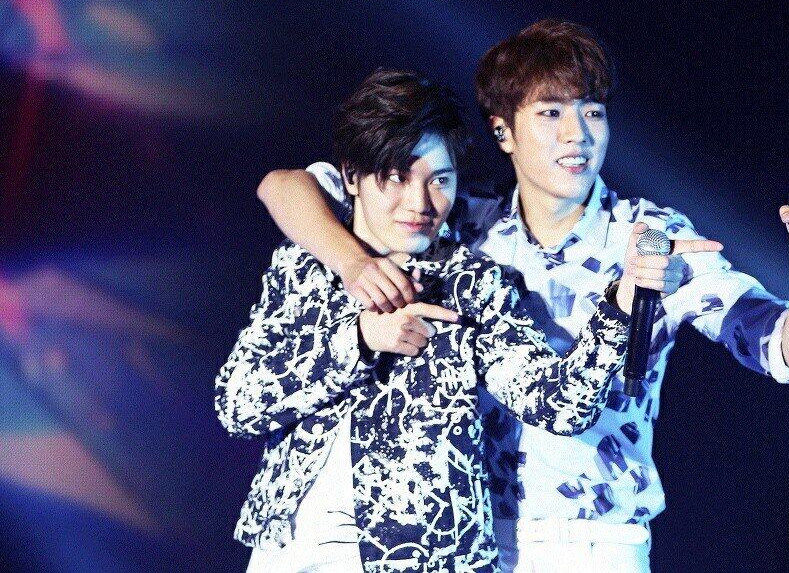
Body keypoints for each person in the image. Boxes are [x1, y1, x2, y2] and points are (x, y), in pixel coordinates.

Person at [256, 20, 789, 572]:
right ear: (503, 131)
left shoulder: (651, 237)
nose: (577, 134)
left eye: (593, 112)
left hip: (592, 542)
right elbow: (285, 187)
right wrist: (354, 264)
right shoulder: (458, 221)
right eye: (550, 112)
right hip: (468, 543)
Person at [215, 68, 668, 572]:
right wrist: (358, 340)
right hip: (289, 550)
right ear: (351, 177)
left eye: (441, 180)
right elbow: (237, 405)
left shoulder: (470, 282)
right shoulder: (306, 262)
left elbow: (561, 407)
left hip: (419, 556)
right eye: (397, 176)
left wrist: (621, 304)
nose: (421, 202)